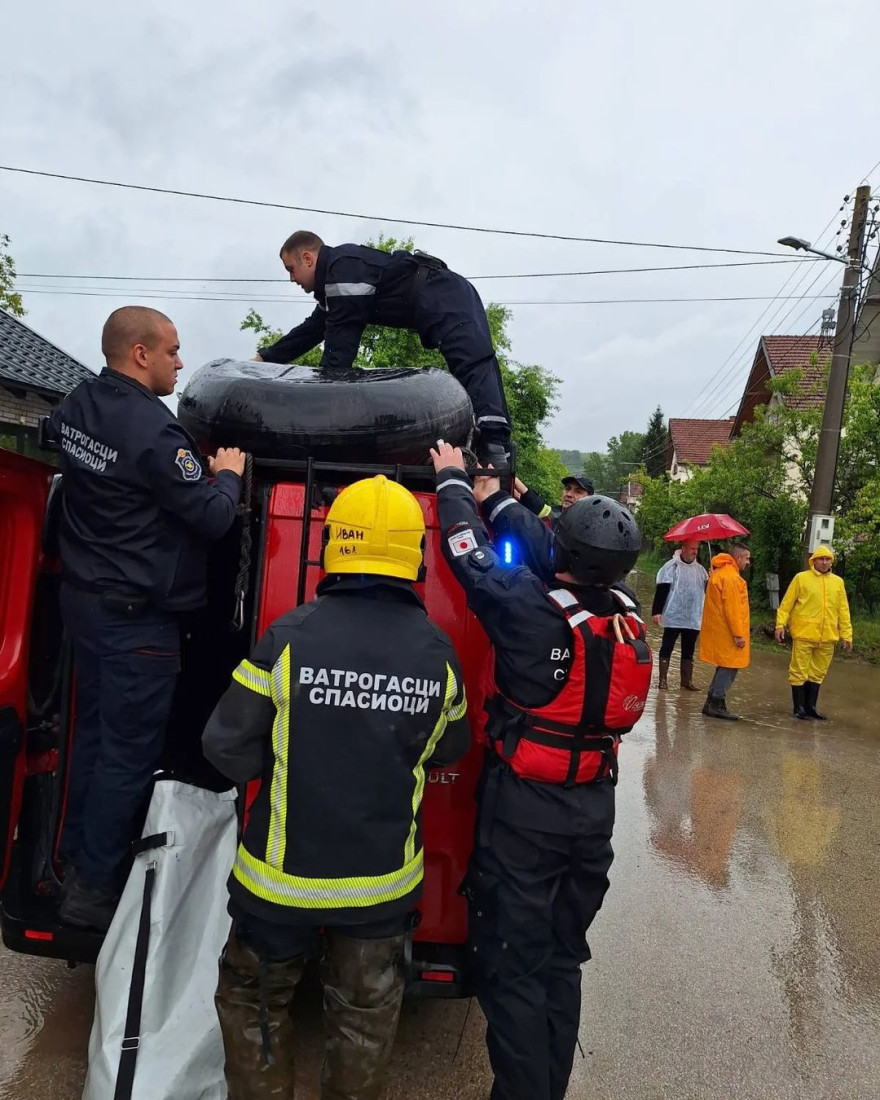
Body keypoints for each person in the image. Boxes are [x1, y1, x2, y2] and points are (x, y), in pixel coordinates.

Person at [202, 475, 469, 1100]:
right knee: (364, 1021)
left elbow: (224, 747)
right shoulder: (437, 652)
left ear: (332, 547)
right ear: (415, 557)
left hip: (278, 888)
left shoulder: (289, 636)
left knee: (256, 1004)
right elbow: (449, 746)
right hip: (379, 893)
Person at [430, 441, 649, 1100]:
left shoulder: (529, 607)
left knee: (513, 970)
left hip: (527, 815)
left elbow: (466, 553)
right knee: (561, 959)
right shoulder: (625, 612)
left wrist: (450, 482)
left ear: (564, 554)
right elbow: (542, 546)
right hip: (591, 813)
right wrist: (498, 492)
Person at [45, 306, 245, 932]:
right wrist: (229, 478)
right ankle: (96, 889)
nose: (180, 363)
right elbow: (213, 520)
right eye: (173, 352)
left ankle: (76, 858)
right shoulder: (157, 435)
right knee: (127, 757)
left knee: (94, 742)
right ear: (140, 354)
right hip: (137, 625)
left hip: (85, 608)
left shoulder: (76, 404)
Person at [252, 231, 512, 466]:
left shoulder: (342, 271)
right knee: (482, 363)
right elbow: (314, 329)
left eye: (291, 269)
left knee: (473, 363)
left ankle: (495, 449)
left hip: (444, 292)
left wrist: (320, 417)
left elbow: (337, 355)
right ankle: (501, 447)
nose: (291, 278)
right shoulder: (338, 278)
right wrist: (266, 357)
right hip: (445, 293)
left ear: (307, 258)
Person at [774, 546, 853, 719]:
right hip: (804, 633)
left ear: (831, 561)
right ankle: (798, 708)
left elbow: (843, 610)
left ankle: (811, 707)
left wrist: (847, 635)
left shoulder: (838, 582)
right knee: (799, 671)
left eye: (827, 559)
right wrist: (780, 625)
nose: (824, 562)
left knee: (818, 672)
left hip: (828, 637)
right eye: (821, 559)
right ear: (814, 561)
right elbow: (786, 604)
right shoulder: (801, 579)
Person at [698, 545, 751, 721]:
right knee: (729, 667)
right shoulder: (731, 578)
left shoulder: (720, 574)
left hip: (720, 629)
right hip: (728, 631)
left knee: (724, 666)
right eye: (747, 558)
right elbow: (733, 608)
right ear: (738, 558)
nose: (748, 562)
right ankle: (716, 703)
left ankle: (712, 702)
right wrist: (738, 634)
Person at [651, 540, 708, 691]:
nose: (695, 551)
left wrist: (713, 579)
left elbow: (709, 592)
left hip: (693, 616)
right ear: (683, 549)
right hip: (674, 615)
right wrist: (657, 611)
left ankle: (686, 681)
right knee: (667, 647)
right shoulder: (672, 566)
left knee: (688, 650)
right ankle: (663, 680)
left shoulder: (701, 570)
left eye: (696, 549)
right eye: (692, 548)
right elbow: (662, 589)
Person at [514, 473, 594, 523]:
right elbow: (533, 502)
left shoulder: (592, 526)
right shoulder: (552, 514)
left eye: (578, 491)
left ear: (589, 499)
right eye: (567, 489)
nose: (569, 494)